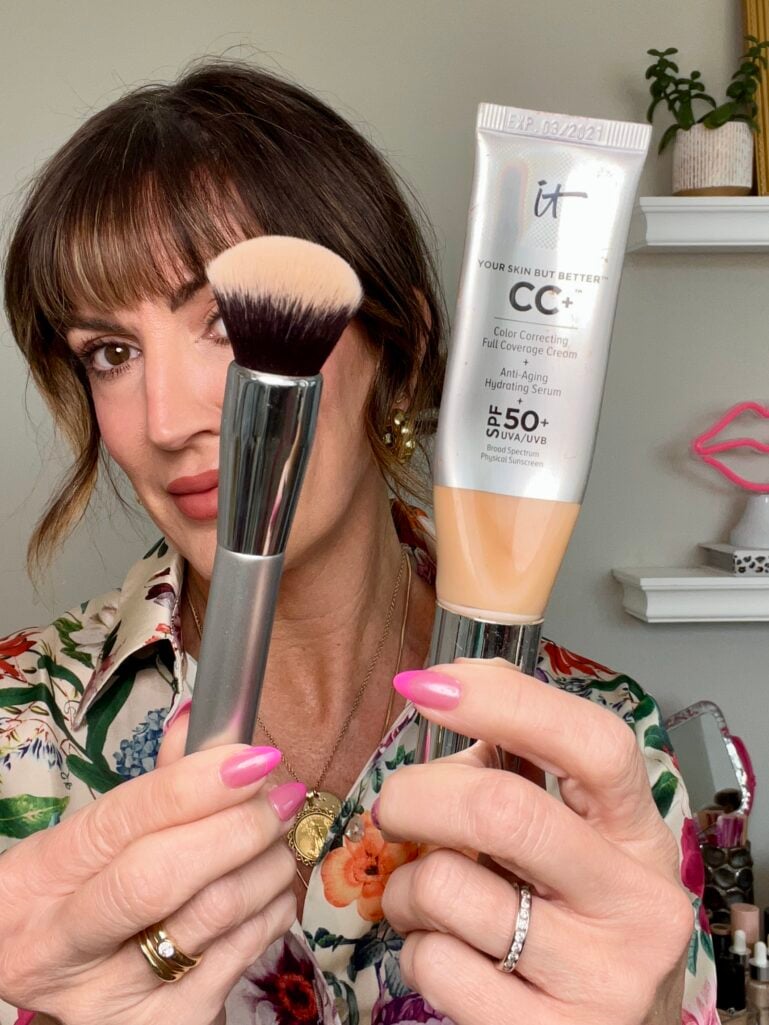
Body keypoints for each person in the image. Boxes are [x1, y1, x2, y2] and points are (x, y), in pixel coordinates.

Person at [0, 60, 716, 1025]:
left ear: (401, 352)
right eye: (111, 353)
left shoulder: (605, 756)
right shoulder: (20, 727)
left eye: (222, 324)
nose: (165, 418)